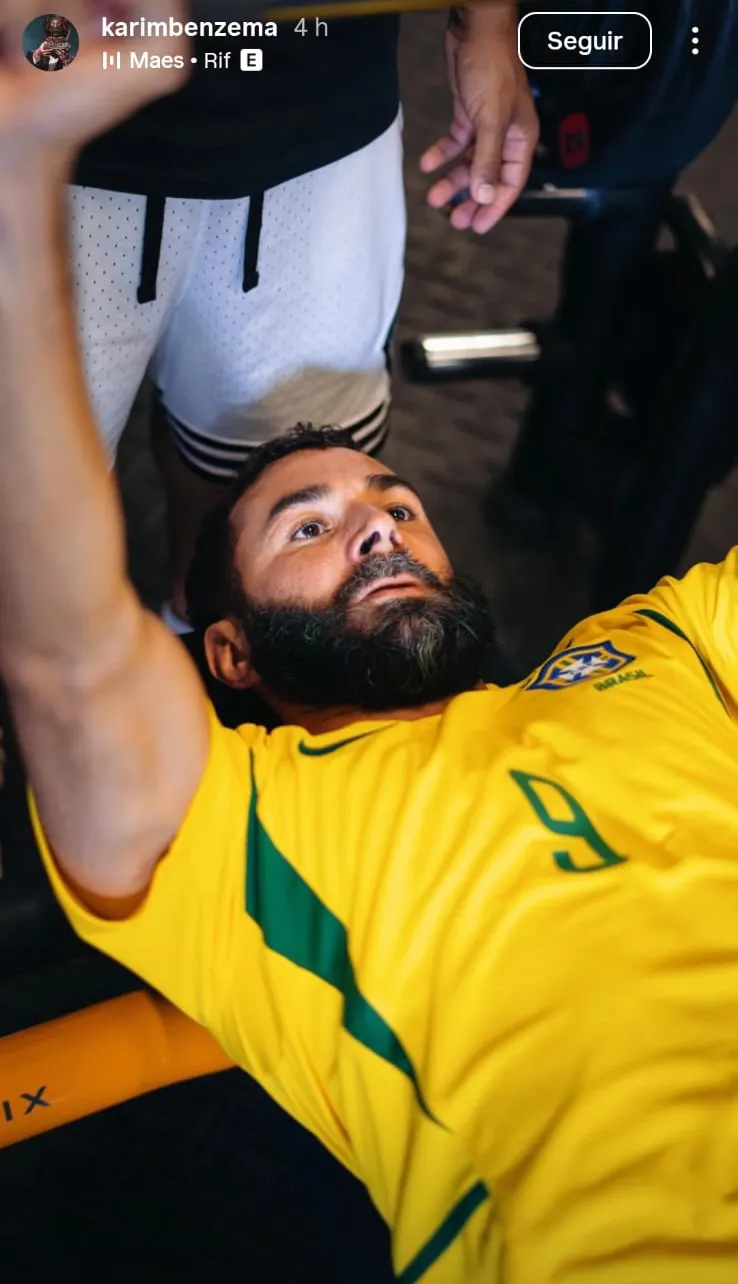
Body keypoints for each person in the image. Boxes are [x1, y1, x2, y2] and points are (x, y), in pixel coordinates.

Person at [4, 6, 738, 1283]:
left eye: (396, 502)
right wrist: (20, 164)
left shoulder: (665, 647)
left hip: (313, 121)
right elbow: (66, 652)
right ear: (227, 658)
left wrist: (488, 20)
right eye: (316, 522)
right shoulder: (240, 830)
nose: (383, 528)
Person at [67, 0, 539, 631]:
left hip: (320, 103)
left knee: (272, 510)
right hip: (52, 116)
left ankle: (204, 645)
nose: (382, 530)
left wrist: (485, 19)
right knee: (30, 528)